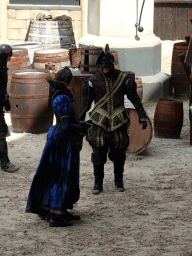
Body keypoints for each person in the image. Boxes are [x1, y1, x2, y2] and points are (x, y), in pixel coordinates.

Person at [26, 67, 90, 227]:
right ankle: (55, 216)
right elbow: (65, 126)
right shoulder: (62, 97)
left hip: (61, 140)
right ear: (69, 80)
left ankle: (61, 210)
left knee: (63, 176)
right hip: (61, 142)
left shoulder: (61, 94)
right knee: (61, 177)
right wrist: (83, 127)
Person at [78, 49, 148, 195]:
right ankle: (98, 184)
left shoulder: (124, 79)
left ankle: (119, 182)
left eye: (107, 63)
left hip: (118, 121)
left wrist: (142, 116)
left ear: (112, 64)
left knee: (119, 154)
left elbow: (135, 98)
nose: (105, 66)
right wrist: (79, 119)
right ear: (99, 65)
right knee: (98, 155)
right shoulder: (93, 81)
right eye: (102, 64)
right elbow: (85, 104)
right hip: (99, 122)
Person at [0, 44, 19, 172]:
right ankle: (5, 163)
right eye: (8, 57)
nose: (9, 59)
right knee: (1, 134)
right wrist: (4, 98)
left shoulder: (2, 67)